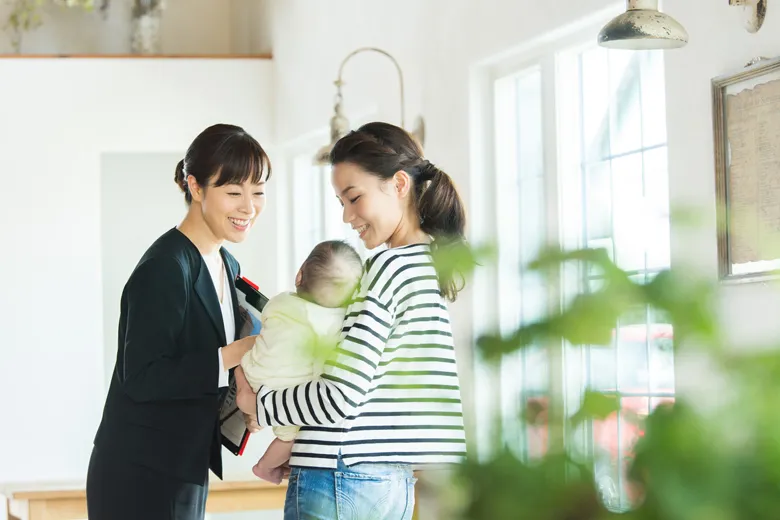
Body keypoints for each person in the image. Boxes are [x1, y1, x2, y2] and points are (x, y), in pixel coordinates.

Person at [236, 121, 468, 520]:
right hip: (390, 483)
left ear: (398, 184)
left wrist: (260, 405)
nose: (347, 217)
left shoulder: (385, 268)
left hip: (341, 476)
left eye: (354, 197)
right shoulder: (429, 264)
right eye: (341, 202)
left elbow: (338, 397)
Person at [86, 123, 272, 520]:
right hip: (140, 470)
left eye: (258, 192)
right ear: (196, 187)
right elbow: (142, 376)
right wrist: (231, 355)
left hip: (184, 461)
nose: (249, 206)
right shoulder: (166, 266)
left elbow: (204, 363)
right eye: (234, 192)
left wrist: (243, 397)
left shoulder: (226, 263)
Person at [240, 239, 363, 484]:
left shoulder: (280, 300)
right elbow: (322, 371)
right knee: (290, 437)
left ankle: (242, 385)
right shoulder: (334, 323)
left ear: (299, 276)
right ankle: (264, 467)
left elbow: (267, 325)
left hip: (253, 370)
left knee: (250, 360)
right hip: (280, 392)